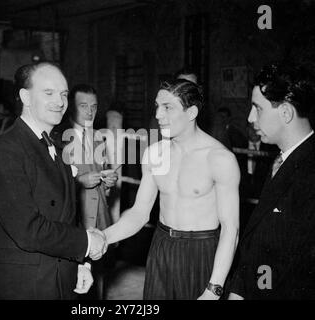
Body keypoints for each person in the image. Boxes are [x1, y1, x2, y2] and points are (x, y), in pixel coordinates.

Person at [103, 79, 240, 300]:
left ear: (191, 112)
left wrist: (214, 289)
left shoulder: (219, 158)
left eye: (168, 107)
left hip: (202, 251)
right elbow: (139, 213)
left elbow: (230, 229)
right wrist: (103, 237)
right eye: (157, 106)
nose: (158, 115)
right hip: (161, 246)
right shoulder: (153, 154)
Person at [0, 62, 107, 300]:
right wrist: (87, 243)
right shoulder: (4, 150)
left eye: (63, 94)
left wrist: (81, 263)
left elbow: (67, 216)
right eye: (48, 93)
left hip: (60, 278)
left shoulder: (57, 147)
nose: (60, 102)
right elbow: (27, 230)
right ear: (25, 97)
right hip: (22, 286)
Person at [228, 63, 315, 300]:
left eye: (258, 108)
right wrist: (238, 290)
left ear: (286, 112)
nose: (250, 117)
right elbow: (260, 240)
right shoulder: (281, 160)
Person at [54, 84, 118, 299]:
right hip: (75, 219)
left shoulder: (98, 137)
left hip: (99, 216)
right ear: (71, 107)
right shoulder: (58, 138)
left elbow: (102, 176)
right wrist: (78, 182)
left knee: (99, 277)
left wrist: (108, 181)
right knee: (74, 282)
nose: (90, 112)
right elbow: (51, 185)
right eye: (83, 106)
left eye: (94, 106)